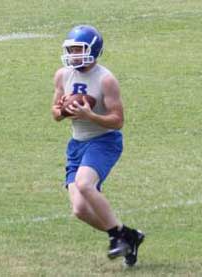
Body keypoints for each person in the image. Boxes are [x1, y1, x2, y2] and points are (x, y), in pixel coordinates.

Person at [51, 25, 145, 265]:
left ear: (92, 50)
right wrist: (62, 110)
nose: (73, 55)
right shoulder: (63, 74)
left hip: (104, 141)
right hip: (76, 144)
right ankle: (128, 235)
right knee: (80, 210)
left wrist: (90, 115)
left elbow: (118, 121)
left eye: (78, 49)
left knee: (84, 184)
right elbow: (55, 112)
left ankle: (116, 237)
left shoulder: (106, 80)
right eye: (70, 50)